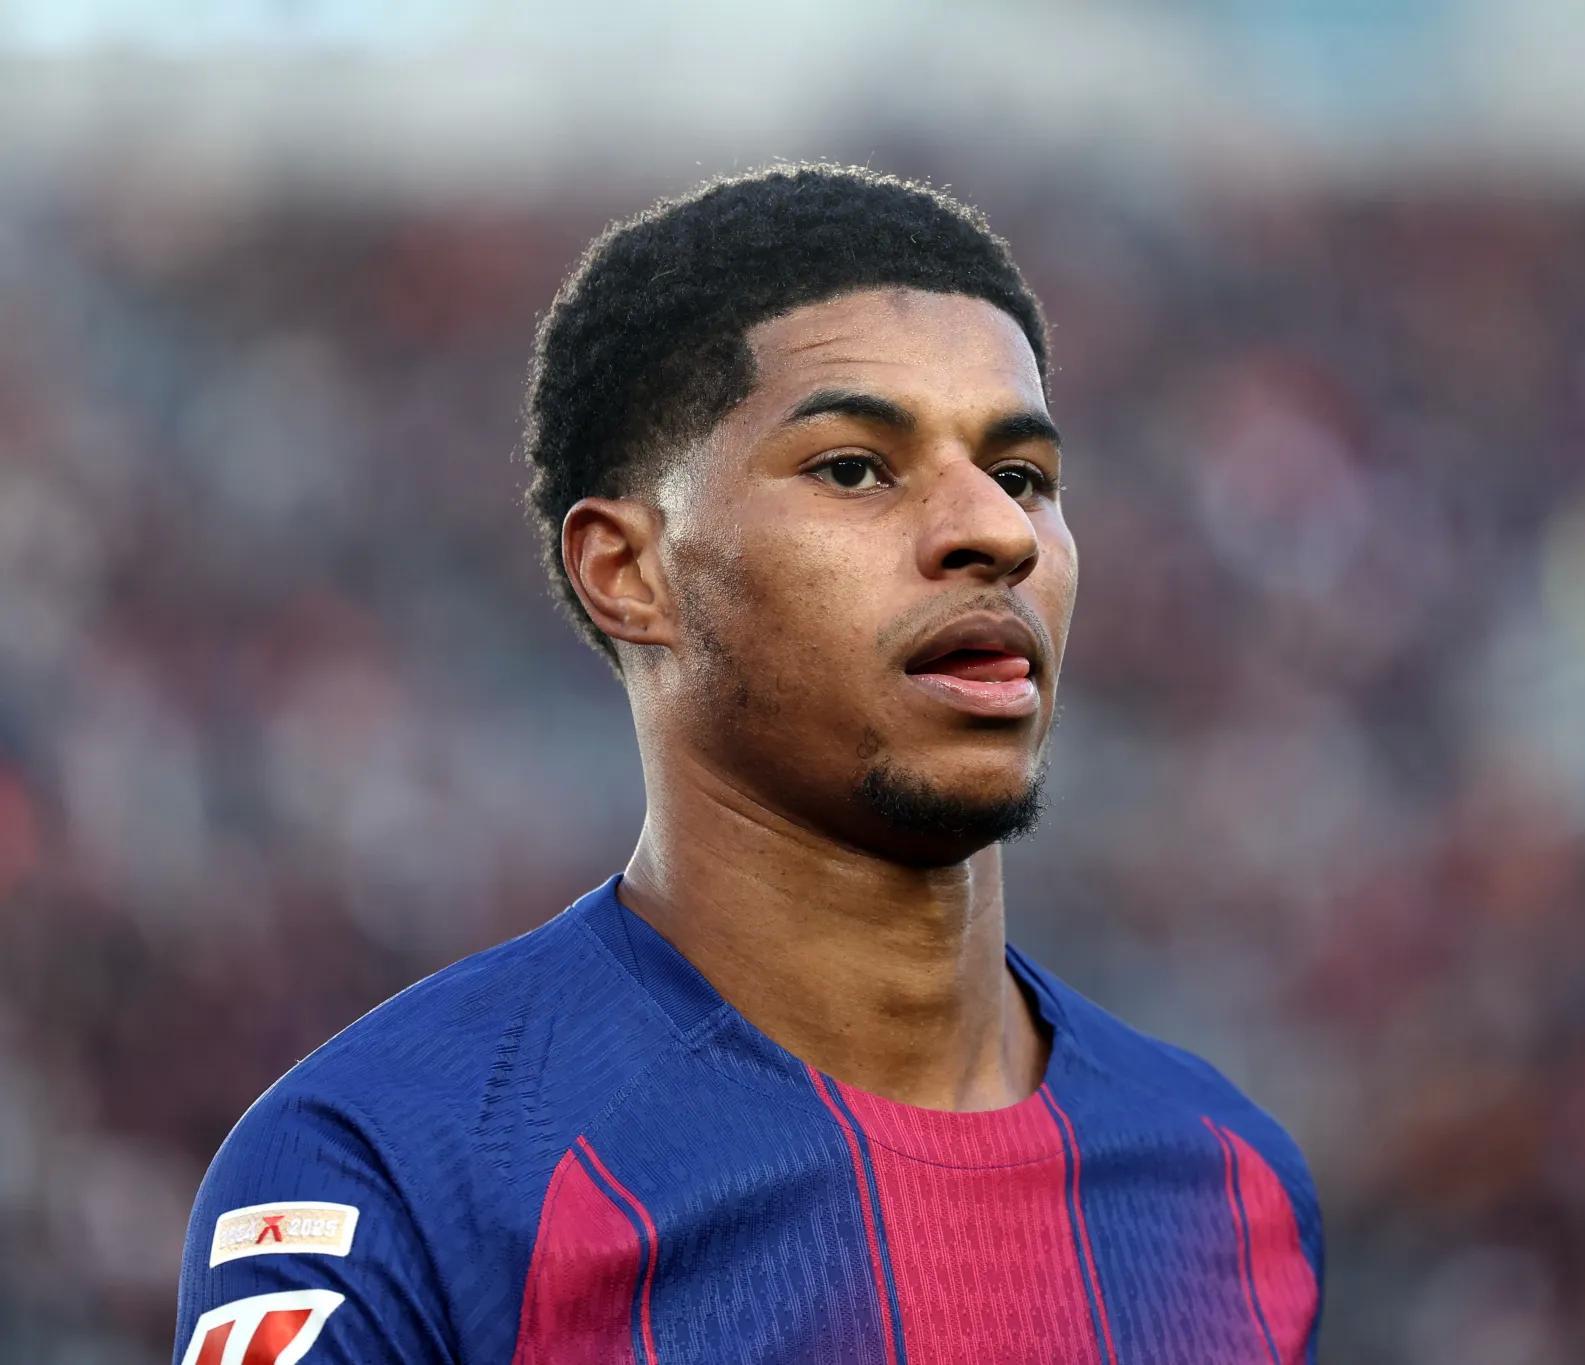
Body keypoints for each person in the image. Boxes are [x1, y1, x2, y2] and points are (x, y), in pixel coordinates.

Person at [173, 163, 1323, 1365]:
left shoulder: (1230, 1180)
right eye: (854, 468)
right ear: (629, 572)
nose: (994, 531)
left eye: (1021, 476)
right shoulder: (391, 1166)